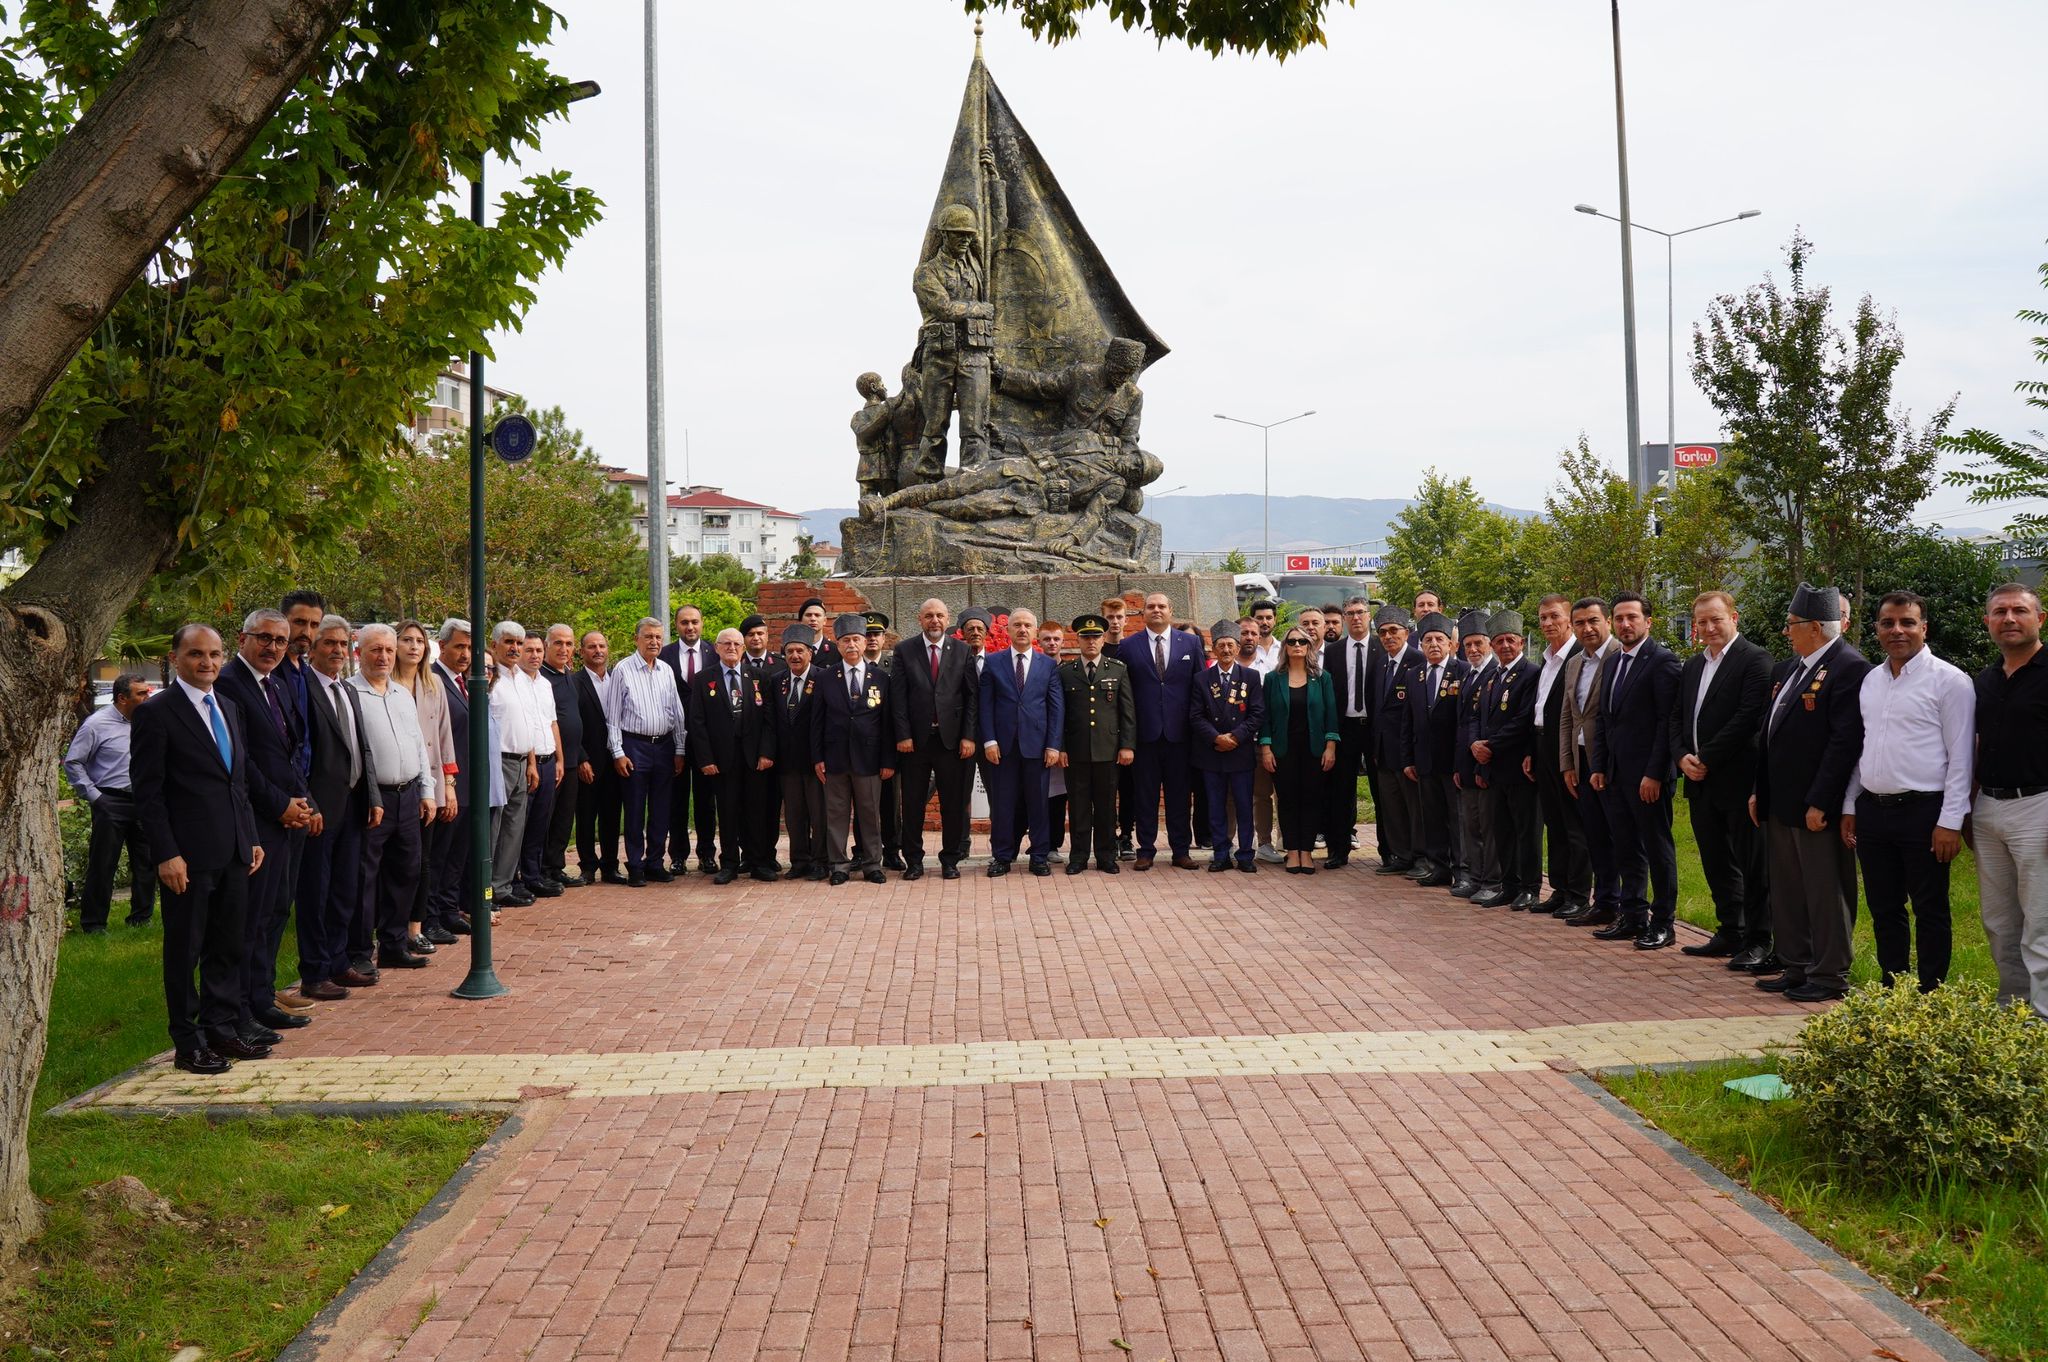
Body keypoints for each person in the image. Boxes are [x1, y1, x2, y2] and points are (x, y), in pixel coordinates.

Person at [129, 624, 264, 1074]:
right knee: (185, 949)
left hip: (233, 851)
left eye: (214, 654)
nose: (207, 662)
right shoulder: (157, 713)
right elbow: (149, 793)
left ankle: (222, 1030)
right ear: (174, 658)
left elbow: (237, 782)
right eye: (195, 655)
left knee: (228, 945)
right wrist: (166, 853)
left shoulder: (227, 705)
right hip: (187, 857)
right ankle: (188, 1043)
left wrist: (251, 837)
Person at [1841, 591, 1973, 991]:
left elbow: (1961, 757)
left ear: (1923, 628)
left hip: (1924, 812)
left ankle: (1931, 993)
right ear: (1878, 629)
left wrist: (1950, 822)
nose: (1897, 630)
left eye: (1907, 622)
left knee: (1930, 908)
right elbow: (1862, 748)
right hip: (1874, 811)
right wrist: (1850, 803)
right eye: (1888, 623)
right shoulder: (1871, 681)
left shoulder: (1950, 681)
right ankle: (1892, 985)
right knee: (1884, 907)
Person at [1751, 583, 1871, 1003]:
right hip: (1782, 801)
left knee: (1825, 890)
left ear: (1816, 627)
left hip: (1816, 804)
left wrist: (1823, 801)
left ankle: (1829, 973)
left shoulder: (1849, 667)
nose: (1787, 632)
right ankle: (1797, 964)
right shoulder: (1790, 668)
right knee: (1789, 888)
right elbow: (1771, 735)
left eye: (1792, 625)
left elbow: (1844, 742)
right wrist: (1758, 791)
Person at [212, 609, 315, 1046]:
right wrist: (280, 806)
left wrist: (303, 801)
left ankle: (261, 997)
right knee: (248, 921)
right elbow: (241, 760)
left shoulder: (274, 683)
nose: (273, 647)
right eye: (264, 638)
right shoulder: (230, 683)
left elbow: (290, 750)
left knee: (274, 913)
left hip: (288, 814)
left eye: (279, 640)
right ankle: (240, 1009)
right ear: (243, 637)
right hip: (256, 819)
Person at [1670, 591, 1773, 964]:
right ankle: (1731, 930)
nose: (1709, 628)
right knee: (1716, 860)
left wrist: (1706, 757)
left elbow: (1747, 718)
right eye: (1702, 622)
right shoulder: (1693, 666)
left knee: (1752, 863)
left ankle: (1760, 939)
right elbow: (1677, 717)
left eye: (1716, 619)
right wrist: (1682, 756)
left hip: (1738, 779)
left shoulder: (1756, 660)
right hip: (1699, 781)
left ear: (1734, 617)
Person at [1587, 592, 1682, 949]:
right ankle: (1632, 915)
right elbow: (1603, 718)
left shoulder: (1663, 662)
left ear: (1648, 622)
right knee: (1626, 847)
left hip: (1648, 778)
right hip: (1614, 775)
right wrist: (1598, 765)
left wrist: (1655, 773)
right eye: (1619, 618)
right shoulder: (1612, 663)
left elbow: (1666, 723)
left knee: (1657, 849)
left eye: (1632, 617)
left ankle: (1663, 922)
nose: (1625, 624)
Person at [1973, 582, 2048, 1020]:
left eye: (2020, 611)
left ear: (2040, 619)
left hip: (2039, 804)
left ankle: (2042, 1020)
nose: (2009, 619)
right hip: (1989, 807)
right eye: (2000, 612)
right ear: (1987, 622)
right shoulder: (1984, 681)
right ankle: (2013, 1012)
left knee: (2041, 921)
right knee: (2000, 923)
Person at [298, 615, 380, 996]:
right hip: (320, 808)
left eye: (342, 644)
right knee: (317, 891)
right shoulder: (302, 688)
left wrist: (373, 796)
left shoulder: (345, 690)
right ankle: (315, 972)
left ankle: (338, 960)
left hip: (353, 803)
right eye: (329, 643)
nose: (337, 650)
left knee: (346, 887)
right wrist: (310, 803)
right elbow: (298, 753)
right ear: (313, 647)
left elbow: (362, 746)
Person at [349, 624, 438, 971]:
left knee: (406, 872)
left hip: (408, 795)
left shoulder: (402, 694)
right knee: (365, 877)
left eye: (388, 649)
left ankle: (394, 944)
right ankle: (359, 952)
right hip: (373, 800)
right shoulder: (350, 693)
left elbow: (417, 744)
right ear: (359, 653)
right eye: (375, 649)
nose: (383, 656)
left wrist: (427, 790)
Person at [891, 598, 980, 881]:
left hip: (951, 741)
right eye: (929, 616)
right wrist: (903, 735)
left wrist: (968, 736)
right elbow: (898, 698)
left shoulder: (962, 650)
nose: (935, 621)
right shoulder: (905, 650)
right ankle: (914, 861)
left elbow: (971, 698)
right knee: (913, 803)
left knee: (953, 804)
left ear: (947, 618)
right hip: (915, 743)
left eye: (940, 615)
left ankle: (950, 860)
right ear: (920, 619)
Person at [64, 673, 157, 931]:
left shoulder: (148, 721)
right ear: (122, 698)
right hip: (110, 801)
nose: (147, 697)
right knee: (103, 864)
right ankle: (94, 924)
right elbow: (73, 762)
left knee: (146, 862)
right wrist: (96, 797)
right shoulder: (96, 724)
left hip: (143, 800)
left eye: (147, 692)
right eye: (141, 693)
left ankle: (141, 919)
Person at [1120, 592, 1205, 870]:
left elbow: (1199, 689)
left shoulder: (1191, 643)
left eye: (1161, 606)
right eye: (1151, 607)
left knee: (1180, 795)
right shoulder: (1128, 646)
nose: (1156, 610)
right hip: (1144, 735)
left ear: (1171, 610)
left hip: (1180, 736)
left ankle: (1181, 850)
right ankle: (1146, 849)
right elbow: (1125, 694)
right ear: (1143, 613)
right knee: (1144, 795)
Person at [688, 627, 779, 883]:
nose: (732, 648)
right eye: (726, 644)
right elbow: (697, 722)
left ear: (743, 648)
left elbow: (769, 721)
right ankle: (729, 863)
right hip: (722, 758)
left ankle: (758, 862)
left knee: (756, 811)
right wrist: (705, 759)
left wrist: (766, 752)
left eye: (736, 644)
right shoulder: (704, 678)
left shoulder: (759, 677)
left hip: (754, 758)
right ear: (716, 647)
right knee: (727, 812)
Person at [978, 606, 1065, 876]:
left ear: (1036, 631)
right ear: (1008, 629)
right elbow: (985, 705)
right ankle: (1002, 856)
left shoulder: (1048, 665)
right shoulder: (993, 662)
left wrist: (1053, 745)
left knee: (1039, 803)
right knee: (1003, 804)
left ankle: (1039, 855)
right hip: (1002, 748)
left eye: (1028, 625)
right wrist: (989, 741)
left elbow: (1056, 708)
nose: (1023, 629)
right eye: (1017, 625)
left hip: (1037, 747)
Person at [604, 617, 688, 887]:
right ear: (636, 639)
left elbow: (677, 712)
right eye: (649, 637)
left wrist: (679, 748)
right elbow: (613, 716)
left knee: (662, 808)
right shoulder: (623, 669)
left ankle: (655, 862)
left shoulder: (665, 670)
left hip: (663, 746)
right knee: (635, 809)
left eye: (658, 638)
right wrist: (617, 752)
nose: (654, 642)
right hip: (634, 746)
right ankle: (636, 865)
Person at [392, 620, 458, 955]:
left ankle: (415, 927)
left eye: (420, 641)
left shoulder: (433, 686)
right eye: (407, 640)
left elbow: (444, 737)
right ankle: (388, 929)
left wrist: (449, 783)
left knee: (423, 859)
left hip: (430, 782)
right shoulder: (384, 684)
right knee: (396, 862)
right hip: (397, 782)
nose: (414, 647)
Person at [1556, 599, 1622, 930]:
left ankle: (1626, 904)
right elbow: (1569, 716)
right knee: (1594, 834)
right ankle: (1605, 902)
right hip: (1581, 762)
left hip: (1611, 762)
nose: (1587, 629)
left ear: (1607, 621)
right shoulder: (1574, 664)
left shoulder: (1619, 656)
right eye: (1580, 623)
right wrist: (1568, 763)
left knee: (1618, 836)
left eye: (1593, 621)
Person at [815, 614, 895, 884]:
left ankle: (873, 863)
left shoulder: (881, 678)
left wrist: (887, 759)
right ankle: (838, 864)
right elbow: (816, 721)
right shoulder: (826, 678)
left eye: (856, 639)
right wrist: (817, 757)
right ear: (838, 645)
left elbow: (887, 724)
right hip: (835, 758)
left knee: (870, 813)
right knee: (836, 814)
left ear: (864, 643)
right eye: (846, 640)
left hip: (869, 758)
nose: (852, 644)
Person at [1056, 614, 1135, 875]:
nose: (1091, 642)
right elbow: (1060, 714)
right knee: (1078, 807)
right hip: (1076, 751)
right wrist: (1062, 747)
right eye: (1086, 637)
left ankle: (1105, 856)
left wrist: (1127, 745)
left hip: (1108, 750)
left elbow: (1127, 712)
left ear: (1103, 640)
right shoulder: (1066, 672)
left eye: (1096, 637)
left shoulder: (1117, 669)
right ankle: (1078, 856)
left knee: (1105, 807)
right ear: (1078, 640)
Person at [1472, 611, 1539, 908]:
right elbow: (1482, 718)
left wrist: (1490, 744)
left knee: (1526, 830)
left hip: (1519, 766)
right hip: (1494, 767)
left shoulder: (1531, 673)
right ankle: (1508, 884)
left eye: (1510, 640)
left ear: (1521, 642)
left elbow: (1524, 718)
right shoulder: (1491, 676)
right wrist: (1477, 749)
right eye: (1498, 641)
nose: (1504, 645)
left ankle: (1530, 887)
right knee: (1503, 830)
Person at [1260, 625, 1338, 874]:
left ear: (1309, 647)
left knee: (1312, 799)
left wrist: (1330, 747)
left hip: (1314, 749)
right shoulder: (1273, 679)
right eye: (1291, 642)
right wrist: (1266, 748)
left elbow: (1331, 715)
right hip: (1283, 750)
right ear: (1284, 647)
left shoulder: (1322, 678)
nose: (1296, 646)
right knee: (1288, 800)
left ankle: (1307, 851)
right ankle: (1292, 851)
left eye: (1302, 642)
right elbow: (1265, 718)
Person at [1527, 595, 1585, 913]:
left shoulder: (1579, 655)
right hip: (1542, 745)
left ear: (1568, 618)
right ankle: (1560, 889)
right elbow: (1539, 709)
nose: (1548, 623)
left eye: (1554, 617)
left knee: (1574, 823)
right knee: (1554, 822)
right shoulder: (1546, 658)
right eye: (1543, 618)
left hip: (1568, 749)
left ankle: (1578, 895)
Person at [1191, 620, 1264, 872]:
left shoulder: (1250, 677)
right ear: (1214, 648)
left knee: (1244, 805)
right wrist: (1216, 738)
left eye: (1230, 645)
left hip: (1240, 752)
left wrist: (1235, 737)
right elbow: (1196, 715)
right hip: (1212, 753)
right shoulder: (1202, 679)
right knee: (1215, 806)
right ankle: (1221, 853)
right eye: (1221, 645)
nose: (1226, 650)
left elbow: (1256, 713)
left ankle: (1245, 854)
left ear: (1237, 648)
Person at [1403, 614, 1464, 887]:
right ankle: (1438, 867)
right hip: (1424, 760)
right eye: (1428, 640)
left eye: (1440, 639)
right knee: (1432, 817)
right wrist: (1408, 759)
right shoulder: (1413, 675)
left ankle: (1462, 870)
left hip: (1452, 761)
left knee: (1457, 819)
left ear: (1451, 644)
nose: (1434, 645)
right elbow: (1408, 721)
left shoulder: (1462, 671)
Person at [659, 603, 719, 874]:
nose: (690, 627)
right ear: (677, 625)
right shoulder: (664, 655)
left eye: (694, 621)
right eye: (684, 622)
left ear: (702, 623)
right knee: (677, 799)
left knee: (706, 801)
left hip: (706, 740)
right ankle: (678, 855)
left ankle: (707, 853)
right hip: (674, 739)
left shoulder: (714, 653)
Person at [427, 619, 476, 936]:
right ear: (442, 645)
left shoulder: (463, 682)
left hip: (468, 784)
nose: (466, 654)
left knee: (457, 855)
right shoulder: (432, 681)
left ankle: (448, 909)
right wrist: (447, 784)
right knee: (438, 856)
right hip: (446, 784)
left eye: (470, 648)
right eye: (459, 646)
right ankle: (430, 918)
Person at [1369, 605, 1426, 876]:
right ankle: (1400, 856)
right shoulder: (1381, 662)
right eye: (1383, 632)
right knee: (1391, 808)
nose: (1388, 636)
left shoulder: (1418, 660)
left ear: (1406, 632)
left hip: (1407, 750)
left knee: (1414, 808)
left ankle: (1420, 857)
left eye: (1394, 631)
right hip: (1383, 749)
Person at [486, 622, 540, 908]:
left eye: (519, 643)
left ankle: (502, 886)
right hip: (499, 761)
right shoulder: (490, 678)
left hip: (521, 762)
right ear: (494, 644)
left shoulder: (522, 677)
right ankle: (485, 889)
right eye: (508, 642)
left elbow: (528, 724)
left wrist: (531, 763)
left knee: (513, 830)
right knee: (493, 828)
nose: (515, 648)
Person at [1324, 597, 1376, 870]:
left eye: (1360, 613)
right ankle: (1338, 849)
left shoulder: (1382, 647)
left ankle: (1390, 852)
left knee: (1381, 792)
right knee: (1340, 792)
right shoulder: (1334, 652)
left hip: (1375, 728)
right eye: (1350, 614)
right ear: (1344, 618)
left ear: (1368, 616)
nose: (1356, 618)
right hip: (1345, 727)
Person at [775, 624, 829, 881]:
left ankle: (820, 860)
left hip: (815, 760)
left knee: (819, 814)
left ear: (810, 653)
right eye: (790, 651)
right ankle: (799, 860)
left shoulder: (824, 678)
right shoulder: (777, 681)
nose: (795, 656)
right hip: (787, 761)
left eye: (800, 651)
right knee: (794, 815)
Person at [1451, 610, 1499, 902]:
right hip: (1466, 763)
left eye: (1479, 643)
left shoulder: (1495, 673)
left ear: (1489, 644)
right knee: (1471, 823)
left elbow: (1484, 723)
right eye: (1467, 645)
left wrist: (1479, 761)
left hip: (1487, 762)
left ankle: (1492, 880)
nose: (1473, 650)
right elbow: (1463, 722)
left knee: (1488, 825)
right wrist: (1460, 764)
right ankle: (1476, 876)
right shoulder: (1468, 674)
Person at [538, 624, 590, 889]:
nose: (564, 649)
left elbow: (574, 719)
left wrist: (580, 756)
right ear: (547, 645)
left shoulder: (568, 675)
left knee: (563, 819)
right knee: (545, 818)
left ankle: (556, 867)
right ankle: (540, 870)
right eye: (558, 643)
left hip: (571, 760)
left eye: (568, 644)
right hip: (551, 761)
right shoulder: (541, 678)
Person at [514, 632, 565, 900]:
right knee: (518, 825)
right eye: (529, 650)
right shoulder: (515, 682)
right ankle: (514, 879)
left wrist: (560, 759)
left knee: (539, 824)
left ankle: (533, 876)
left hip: (548, 761)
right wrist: (532, 762)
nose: (535, 655)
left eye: (538, 651)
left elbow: (552, 722)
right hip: (528, 764)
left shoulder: (545, 684)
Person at [572, 629, 623, 886]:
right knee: (586, 815)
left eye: (602, 646)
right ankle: (588, 866)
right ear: (582, 652)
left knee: (612, 815)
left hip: (615, 760)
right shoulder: (574, 682)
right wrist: (581, 758)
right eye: (591, 647)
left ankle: (610, 866)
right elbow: (570, 723)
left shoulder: (618, 678)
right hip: (588, 760)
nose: (598, 651)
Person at [864, 611, 905, 872]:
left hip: (888, 744)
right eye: (866, 634)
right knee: (864, 803)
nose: (871, 639)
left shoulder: (894, 667)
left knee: (891, 804)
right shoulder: (848, 666)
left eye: (875, 634)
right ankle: (862, 851)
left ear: (884, 637)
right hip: (861, 747)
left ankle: (892, 851)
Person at [1036, 619, 1071, 863]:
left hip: (1062, 745)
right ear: (1039, 641)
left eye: (1056, 639)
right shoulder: (1034, 667)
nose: (1051, 643)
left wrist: (1062, 745)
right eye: (1047, 638)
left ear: (1062, 641)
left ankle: (1053, 844)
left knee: (1058, 796)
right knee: (1035, 796)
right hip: (1035, 741)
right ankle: (1036, 842)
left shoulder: (1070, 671)